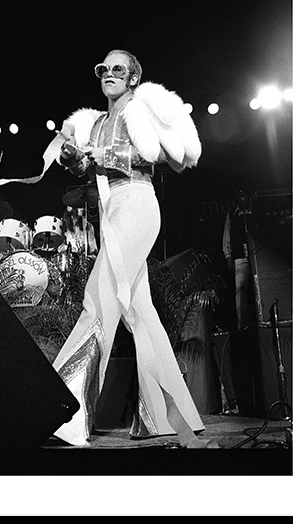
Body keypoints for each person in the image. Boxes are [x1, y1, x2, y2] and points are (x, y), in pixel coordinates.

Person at [52, 49, 218, 448]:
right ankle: (165, 416)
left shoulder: (138, 108)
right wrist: (72, 157)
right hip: (112, 208)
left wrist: (104, 154)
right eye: (103, 70)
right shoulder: (97, 121)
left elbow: (152, 154)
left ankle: (63, 413)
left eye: (118, 69)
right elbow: (86, 168)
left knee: (99, 298)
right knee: (141, 314)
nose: (109, 74)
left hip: (137, 203)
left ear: (132, 78)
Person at [222, 190, 253, 331]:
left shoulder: (253, 212)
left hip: (256, 256)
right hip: (240, 258)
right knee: (240, 292)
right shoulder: (231, 215)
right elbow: (226, 237)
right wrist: (228, 257)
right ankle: (243, 326)